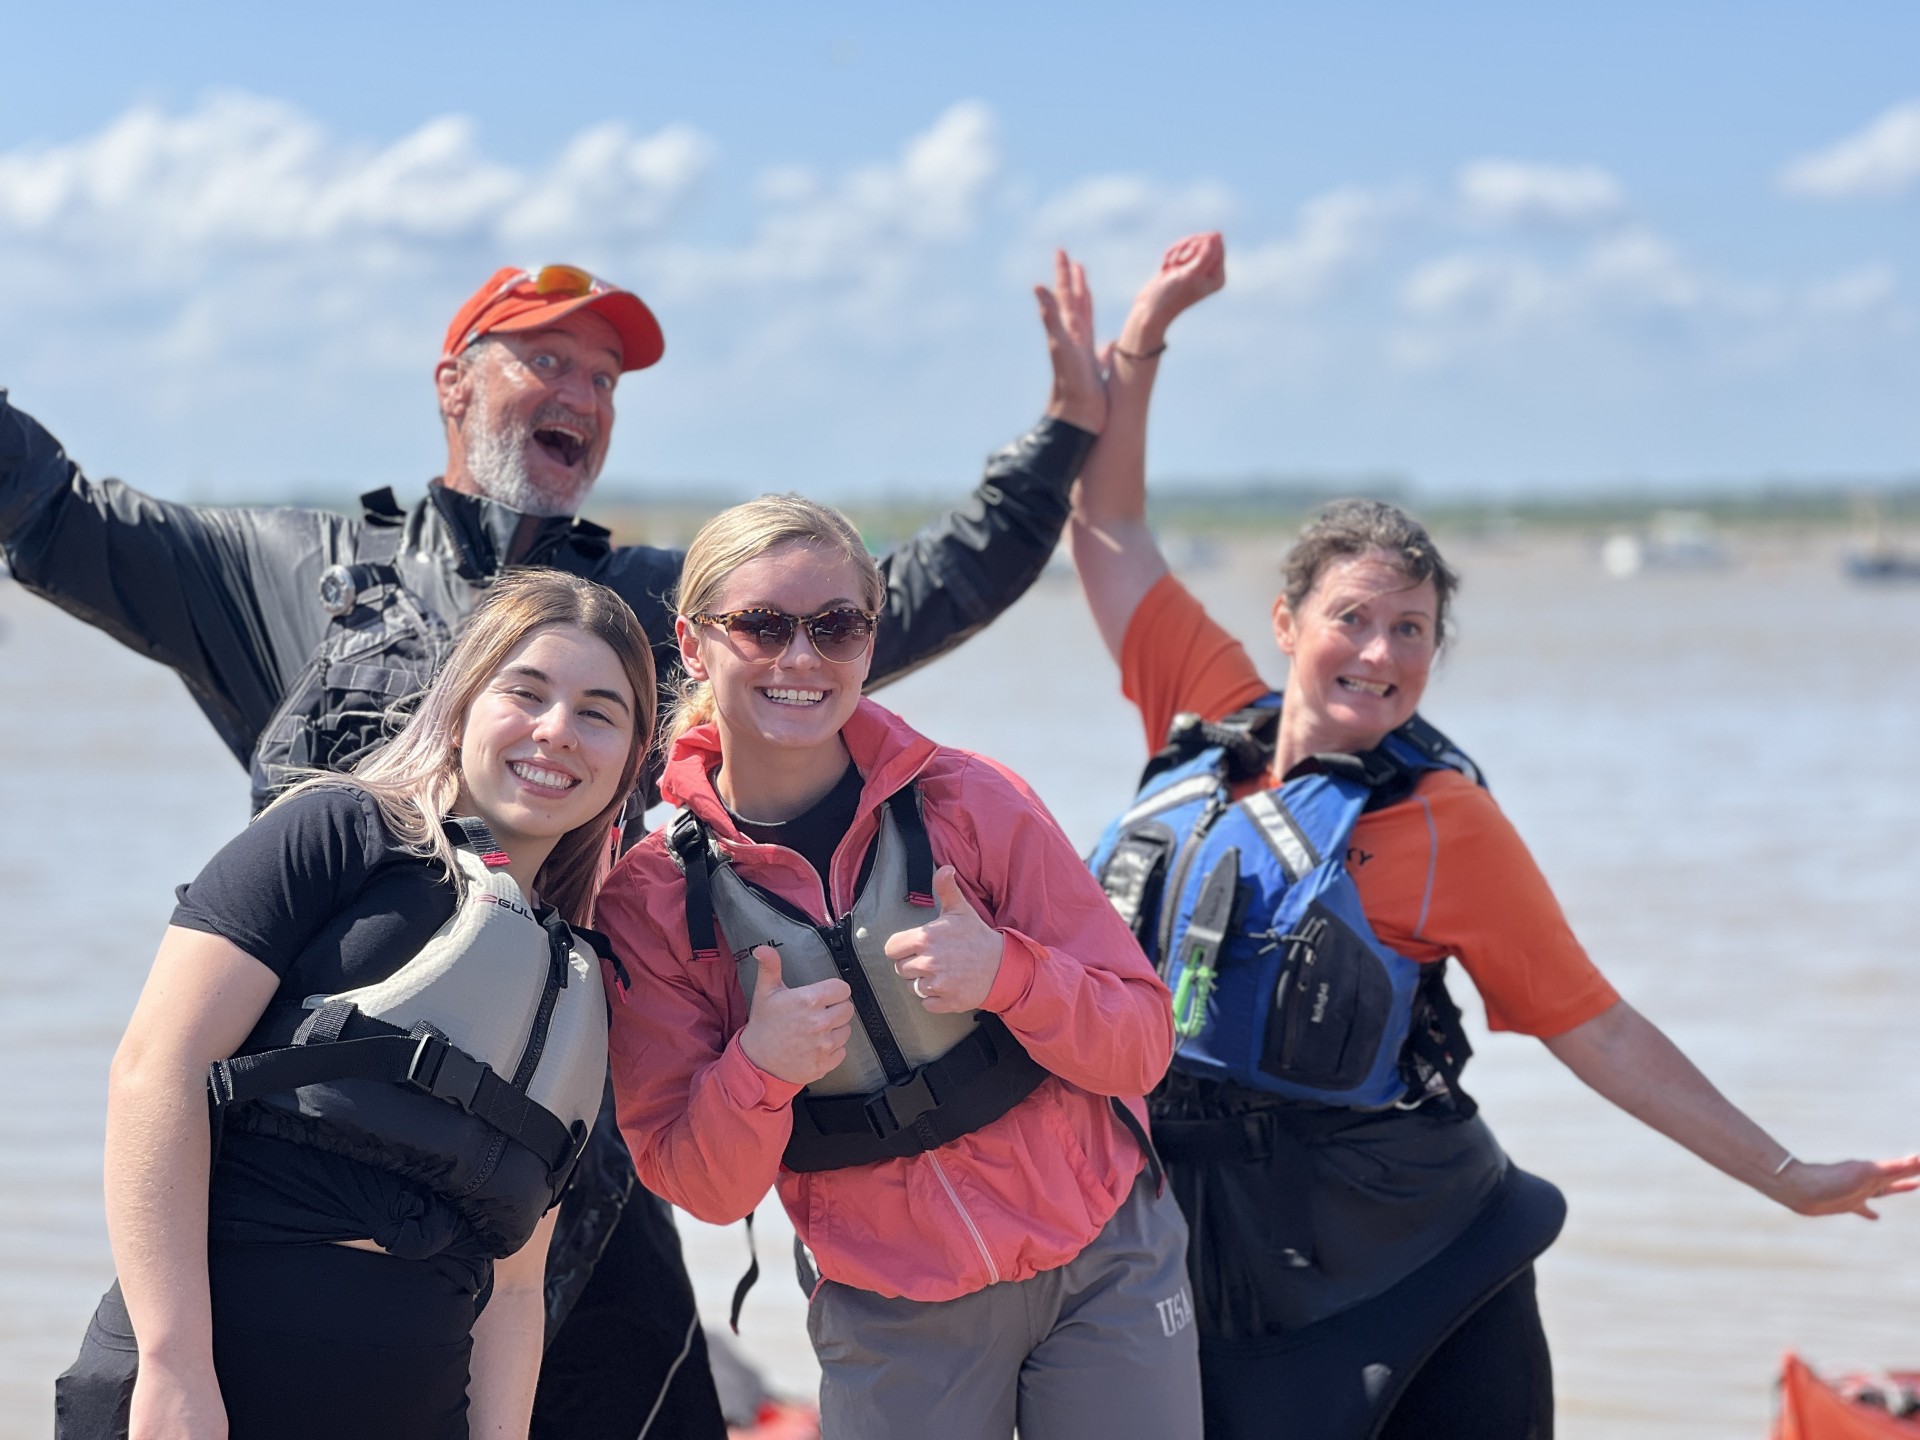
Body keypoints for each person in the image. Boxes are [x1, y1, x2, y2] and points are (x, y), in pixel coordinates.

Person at [1, 258, 1108, 1438]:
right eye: (546, 359)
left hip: (566, 1161)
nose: (581, 390)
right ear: (454, 384)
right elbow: (54, 512)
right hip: (305, 1166)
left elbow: (898, 599)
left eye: (606, 375)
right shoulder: (289, 573)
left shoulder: (648, 608)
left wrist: (1067, 434)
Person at [1066, 232, 1920, 1439]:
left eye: (1411, 630)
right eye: (1352, 618)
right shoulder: (1201, 706)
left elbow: (1599, 1026)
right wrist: (1145, 338)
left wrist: (1785, 1178)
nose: (1380, 653)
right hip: (1195, 1247)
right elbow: (1107, 527)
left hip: (1408, 1257)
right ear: (1285, 621)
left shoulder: (1441, 824)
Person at [594, 490, 1203, 1440]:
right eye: (762, 626)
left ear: (870, 642)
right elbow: (701, 1188)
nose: (802, 658)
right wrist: (762, 1066)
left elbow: (1142, 1044)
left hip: (1104, 1260)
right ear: (692, 641)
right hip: (890, 1305)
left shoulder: (975, 801)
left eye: (837, 626)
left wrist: (1011, 973)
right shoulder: (654, 901)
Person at [56, 569, 657, 1439]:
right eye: (525, 692)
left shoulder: (575, 989)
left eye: (599, 712)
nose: (557, 730)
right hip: (207, 1398)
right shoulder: (337, 834)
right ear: (459, 705)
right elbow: (154, 1073)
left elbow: (517, 1288)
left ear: (632, 759)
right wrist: (173, 1361)